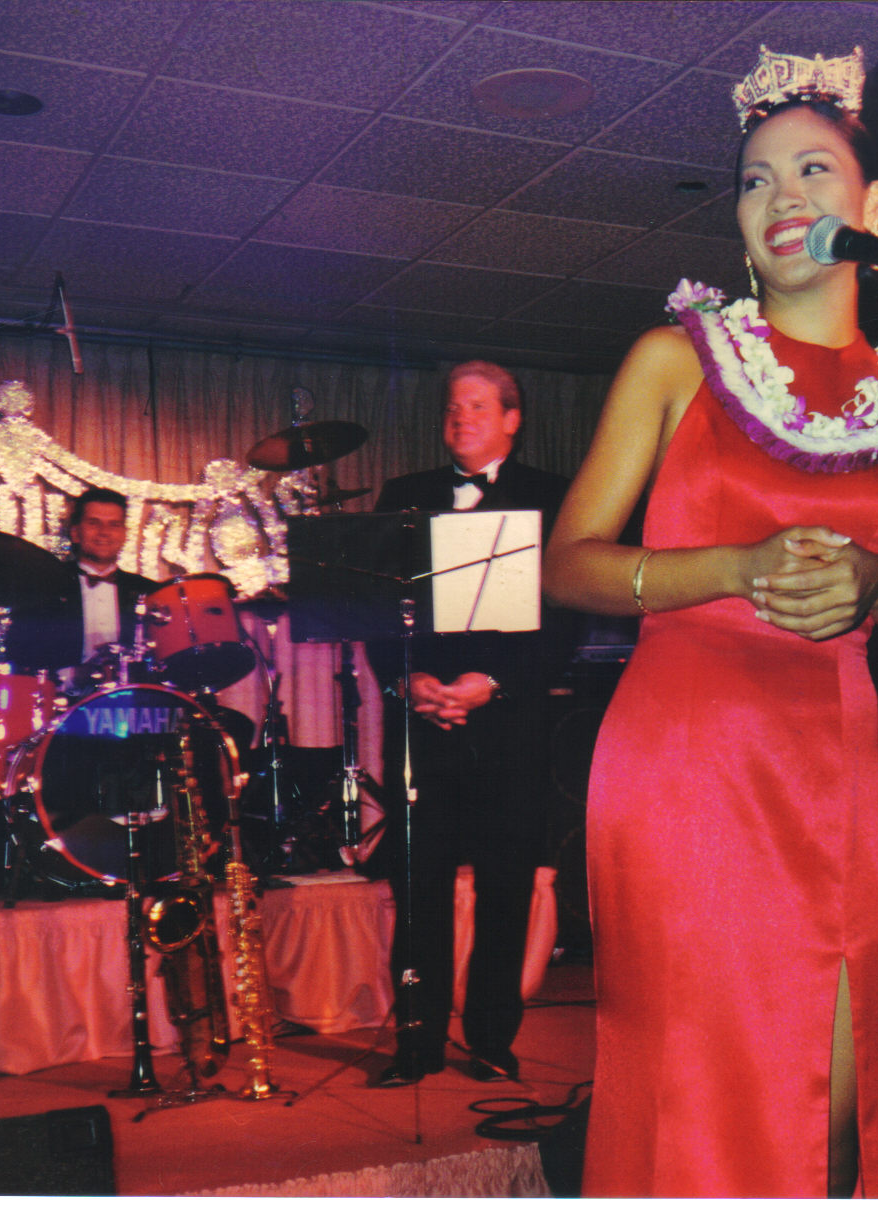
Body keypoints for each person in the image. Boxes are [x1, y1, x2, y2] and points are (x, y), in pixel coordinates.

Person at [542, 46, 878, 1197]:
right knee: (692, 1079)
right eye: (752, 179)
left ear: (872, 206)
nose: (781, 200)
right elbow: (569, 567)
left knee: (831, 1094)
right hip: (680, 757)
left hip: (835, 765)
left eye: (810, 171)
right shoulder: (673, 360)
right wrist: (730, 567)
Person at [368, 360, 570, 1087]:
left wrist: (494, 684)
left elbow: (566, 619)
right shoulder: (405, 497)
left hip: (510, 731)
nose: (460, 420)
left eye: (478, 407)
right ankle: (414, 1048)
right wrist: (409, 678)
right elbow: (375, 613)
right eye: (453, 408)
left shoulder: (556, 497)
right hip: (424, 725)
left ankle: (490, 1040)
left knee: (506, 888)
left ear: (513, 418)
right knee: (417, 889)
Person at [5, 486, 160, 681]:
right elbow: (20, 657)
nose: (104, 532)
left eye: (114, 525)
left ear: (124, 535)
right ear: (76, 532)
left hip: (134, 705)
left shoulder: (150, 591)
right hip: (62, 703)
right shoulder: (41, 587)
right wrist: (73, 676)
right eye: (94, 523)